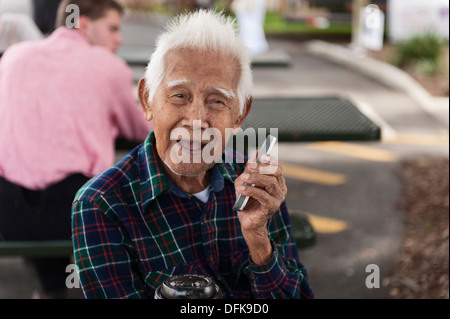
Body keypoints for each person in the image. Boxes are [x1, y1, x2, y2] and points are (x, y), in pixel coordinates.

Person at [72, 10, 313, 299]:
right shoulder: (101, 204)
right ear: (147, 99)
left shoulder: (258, 187)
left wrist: (258, 240)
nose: (197, 120)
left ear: (240, 114)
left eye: (217, 101)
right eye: (179, 96)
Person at [0, 0, 152, 298]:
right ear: (82, 23)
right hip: (72, 213)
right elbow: (142, 130)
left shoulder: (13, 56)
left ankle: (51, 288)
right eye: (112, 28)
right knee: (114, 183)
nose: (119, 39)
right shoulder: (108, 67)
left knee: (36, 182)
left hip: (7, 210)